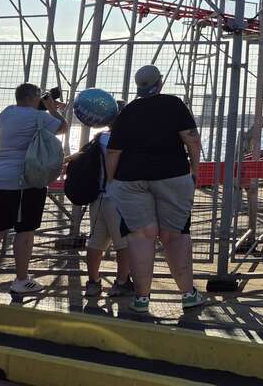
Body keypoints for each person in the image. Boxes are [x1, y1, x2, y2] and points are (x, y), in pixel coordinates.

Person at [105, 64, 204, 315]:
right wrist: (194, 169)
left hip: (131, 179)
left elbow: (113, 151)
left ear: (138, 87)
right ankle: (188, 294)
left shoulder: (127, 112)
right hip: (173, 176)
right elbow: (191, 139)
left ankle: (141, 298)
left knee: (141, 236)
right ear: (159, 82)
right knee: (175, 235)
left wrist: (111, 180)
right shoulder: (173, 104)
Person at [0, 83, 66, 296]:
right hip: (22, 181)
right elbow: (63, 126)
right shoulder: (40, 117)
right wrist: (52, 109)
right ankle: (21, 279)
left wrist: (45, 107)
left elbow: (28, 119)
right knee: (25, 231)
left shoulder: (7, 113)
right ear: (35, 98)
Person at [85, 101, 132, 297]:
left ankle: (93, 282)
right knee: (124, 244)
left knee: (96, 242)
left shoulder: (98, 138)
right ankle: (121, 281)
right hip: (119, 199)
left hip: (98, 197)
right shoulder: (126, 140)